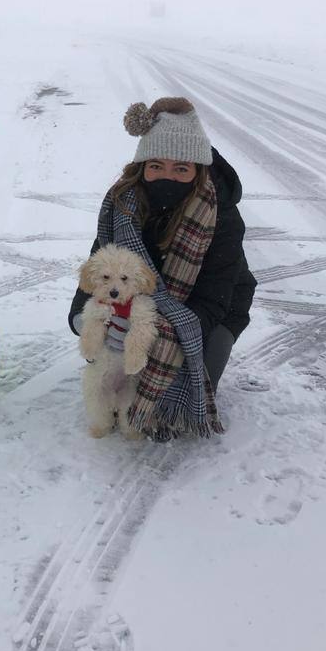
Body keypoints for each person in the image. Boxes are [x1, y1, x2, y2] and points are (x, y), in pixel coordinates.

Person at [68, 96, 256, 438]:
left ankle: (164, 386)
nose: (166, 176)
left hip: (212, 312)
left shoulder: (221, 215)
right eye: (156, 165)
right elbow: (99, 267)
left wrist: (160, 332)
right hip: (139, 304)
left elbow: (215, 297)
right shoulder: (121, 205)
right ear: (143, 166)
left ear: (197, 169)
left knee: (182, 379)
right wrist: (84, 316)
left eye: (181, 168)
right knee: (106, 337)